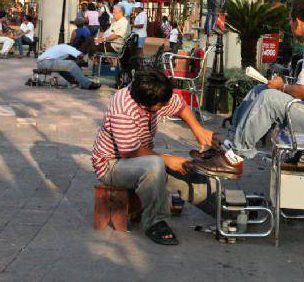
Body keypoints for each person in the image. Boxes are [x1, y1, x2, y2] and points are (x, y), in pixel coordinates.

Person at [190, 0, 304, 179]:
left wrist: (281, 87)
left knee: (269, 99)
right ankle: (228, 146)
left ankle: (234, 156)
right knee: (259, 91)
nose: (290, 24)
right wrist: (280, 87)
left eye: (290, 21)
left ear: (298, 21)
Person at [91, 69, 215, 245]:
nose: (165, 107)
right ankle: (155, 222)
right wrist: (167, 159)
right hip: (112, 165)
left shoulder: (153, 92)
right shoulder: (122, 108)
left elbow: (180, 106)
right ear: (144, 105)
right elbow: (130, 151)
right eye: (161, 106)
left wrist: (198, 130)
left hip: (141, 158)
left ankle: (225, 210)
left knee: (188, 168)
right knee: (156, 165)